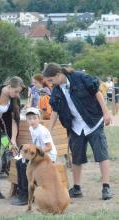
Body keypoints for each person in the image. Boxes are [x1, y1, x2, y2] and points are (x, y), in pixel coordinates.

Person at [43, 63, 112, 200]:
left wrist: (106, 113)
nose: (50, 83)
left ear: (58, 75)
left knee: (101, 154)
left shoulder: (80, 77)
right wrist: (48, 131)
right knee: (76, 157)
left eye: (51, 80)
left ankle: (106, 187)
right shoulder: (56, 90)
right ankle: (77, 188)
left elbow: (97, 92)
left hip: (94, 122)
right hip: (75, 127)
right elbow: (55, 111)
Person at [11, 107, 57, 206]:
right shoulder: (31, 128)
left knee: (24, 165)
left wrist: (35, 151)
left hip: (48, 156)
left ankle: (25, 196)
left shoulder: (42, 131)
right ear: (27, 120)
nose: (32, 121)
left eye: (34, 118)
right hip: (38, 155)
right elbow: (35, 144)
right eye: (29, 118)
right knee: (19, 162)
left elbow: (49, 147)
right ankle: (21, 191)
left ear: (39, 119)